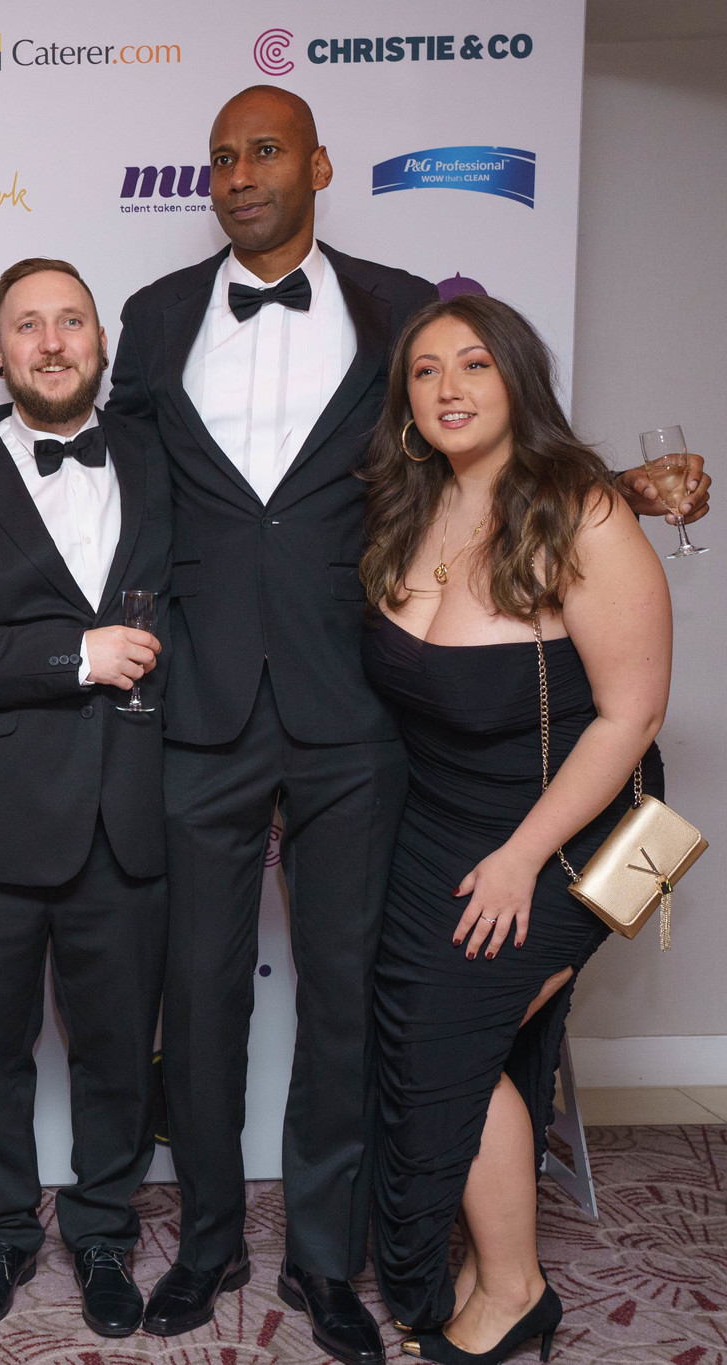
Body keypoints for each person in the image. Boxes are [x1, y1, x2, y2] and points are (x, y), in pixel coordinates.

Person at [0, 86, 707, 1364]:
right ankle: (209, 1242)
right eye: (220, 157)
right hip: (193, 707)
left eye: (263, 151)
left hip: (356, 711)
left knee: (341, 999)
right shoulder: (155, 316)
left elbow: (482, 450)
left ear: (317, 166)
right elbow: (84, 441)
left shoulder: (399, 311)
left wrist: (616, 485)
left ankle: (326, 1260)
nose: (238, 174)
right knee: (196, 1000)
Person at [360, 296, 668, 1362]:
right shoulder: (405, 506)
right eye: (424, 370)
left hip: (569, 829)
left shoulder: (581, 511)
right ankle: (487, 1265)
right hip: (439, 824)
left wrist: (523, 858)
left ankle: (512, 1290)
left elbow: (631, 715)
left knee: (447, 1044)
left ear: (517, 379)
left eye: (474, 365)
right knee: (420, 1042)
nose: (447, 388)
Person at [0, 259, 171, 1337]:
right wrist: (74, 656)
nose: (51, 343)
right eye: (27, 325)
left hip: (131, 810)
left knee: (117, 1054)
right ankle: (3, 1232)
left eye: (70, 322)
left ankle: (103, 1232)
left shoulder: (160, 457)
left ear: (100, 343)